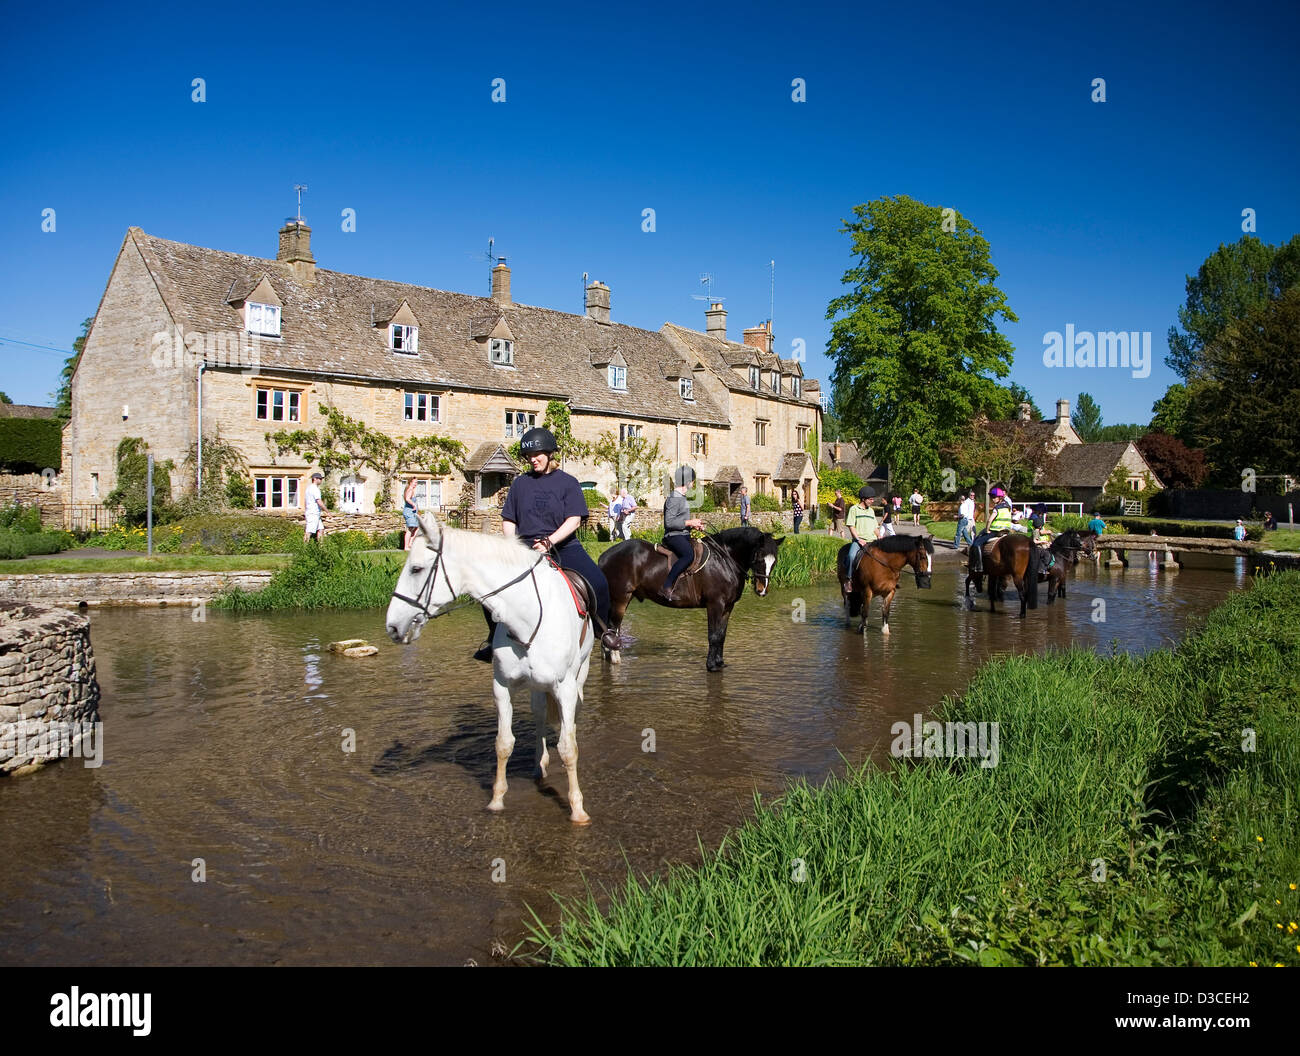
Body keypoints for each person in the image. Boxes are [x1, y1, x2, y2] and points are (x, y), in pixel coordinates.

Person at [473, 427, 618, 662]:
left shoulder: (568, 483)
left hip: (563, 546)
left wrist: (550, 540)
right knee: (488, 588)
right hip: (526, 547)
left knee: (599, 582)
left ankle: (603, 630)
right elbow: (509, 519)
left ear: (550, 454)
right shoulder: (520, 484)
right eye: (529, 456)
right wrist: (513, 545)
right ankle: (492, 639)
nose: (532, 459)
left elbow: (574, 519)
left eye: (537, 454)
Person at [661, 466, 707, 600]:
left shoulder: (681, 497)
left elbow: (681, 520)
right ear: (687, 482)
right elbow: (669, 523)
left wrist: (695, 525)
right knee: (688, 554)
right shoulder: (675, 497)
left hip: (682, 534)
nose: (693, 483)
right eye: (692, 481)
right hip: (673, 536)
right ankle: (667, 586)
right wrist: (689, 523)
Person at [969, 484, 1016, 574]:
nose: (992, 499)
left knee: (976, 543)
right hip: (1006, 530)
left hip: (995, 531)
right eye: (992, 497)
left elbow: (989, 520)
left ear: (999, 498)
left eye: (994, 497)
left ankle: (979, 566)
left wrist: (987, 529)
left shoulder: (997, 508)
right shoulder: (1008, 506)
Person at [845, 485, 881, 576]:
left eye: (873, 499)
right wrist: (858, 539)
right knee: (851, 556)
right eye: (870, 499)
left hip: (872, 541)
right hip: (859, 541)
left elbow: (875, 528)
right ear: (863, 499)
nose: (872, 501)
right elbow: (851, 526)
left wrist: (879, 536)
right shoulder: (854, 509)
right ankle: (849, 579)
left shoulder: (871, 511)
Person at [304, 471, 326, 542]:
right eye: (319, 479)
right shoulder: (314, 489)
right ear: (315, 479)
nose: (321, 480)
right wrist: (327, 511)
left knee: (321, 530)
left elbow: (305, 502)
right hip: (313, 513)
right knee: (309, 531)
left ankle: (321, 548)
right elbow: (319, 501)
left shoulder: (309, 488)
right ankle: (303, 549)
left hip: (315, 513)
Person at [402, 477, 421, 550]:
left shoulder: (411, 490)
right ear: (410, 482)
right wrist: (413, 504)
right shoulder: (410, 489)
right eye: (414, 482)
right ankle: (406, 546)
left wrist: (417, 511)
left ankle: (410, 544)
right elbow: (407, 498)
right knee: (410, 529)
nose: (416, 484)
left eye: (416, 482)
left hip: (413, 512)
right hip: (409, 512)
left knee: (417, 527)